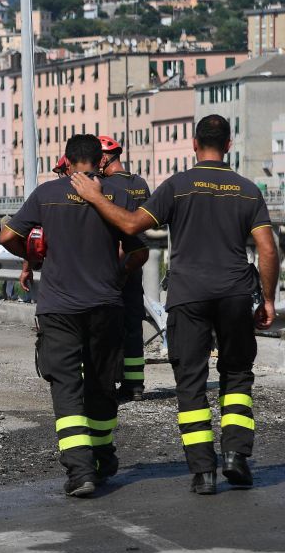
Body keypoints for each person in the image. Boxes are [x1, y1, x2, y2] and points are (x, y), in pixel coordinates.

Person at [70, 115, 278, 495]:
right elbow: (267, 248)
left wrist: (97, 198)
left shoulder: (178, 186)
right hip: (234, 295)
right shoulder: (248, 191)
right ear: (229, 145)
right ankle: (236, 457)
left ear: (194, 143)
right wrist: (267, 298)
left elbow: (133, 225)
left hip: (188, 297)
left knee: (191, 382)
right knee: (237, 376)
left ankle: (203, 472)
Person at [0, 135, 148, 498]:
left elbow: (7, 235)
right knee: (101, 384)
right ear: (100, 162)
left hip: (59, 308)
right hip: (105, 305)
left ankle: (81, 471)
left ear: (65, 161)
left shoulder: (46, 194)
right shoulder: (117, 195)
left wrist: (35, 259)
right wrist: (119, 273)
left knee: (66, 387)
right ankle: (103, 456)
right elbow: (139, 251)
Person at [97, 135, 152, 401]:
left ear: (105, 158)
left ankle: (108, 381)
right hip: (136, 260)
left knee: (106, 324)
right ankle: (135, 384)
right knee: (133, 323)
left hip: (111, 263)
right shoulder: (140, 183)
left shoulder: (105, 187)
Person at [19, 156, 71, 292]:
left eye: (60, 172)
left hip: (58, 278)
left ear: (68, 169)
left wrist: (27, 267)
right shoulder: (101, 192)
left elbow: (32, 236)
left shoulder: (47, 195)